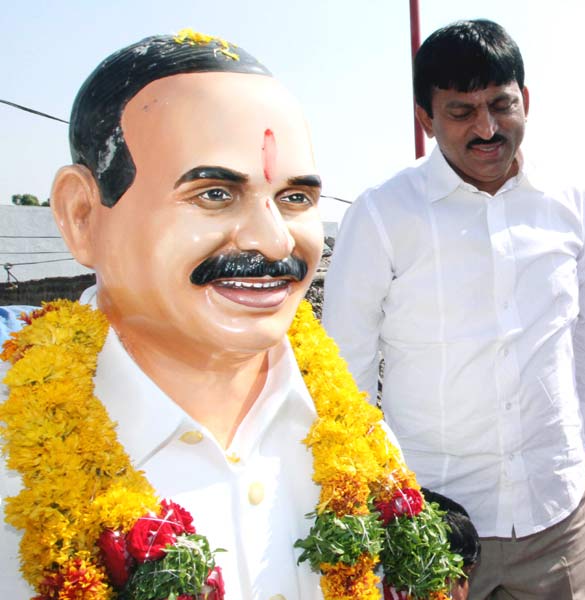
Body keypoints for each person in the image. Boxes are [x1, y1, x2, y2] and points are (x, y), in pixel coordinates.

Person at [0, 31, 449, 600]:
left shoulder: (362, 441)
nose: (273, 239)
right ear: (83, 215)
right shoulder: (17, 469)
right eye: (214, 193)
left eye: (295, 199)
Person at [323, 19, 585, 600]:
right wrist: (374, 511)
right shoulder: (384, 215)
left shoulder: (575, 208)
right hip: (429, 521)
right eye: (461, 112)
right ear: (425, 118)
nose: (487, 128)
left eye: (500, 105)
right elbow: (347, 374)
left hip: (556, 515)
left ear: (526, 100)